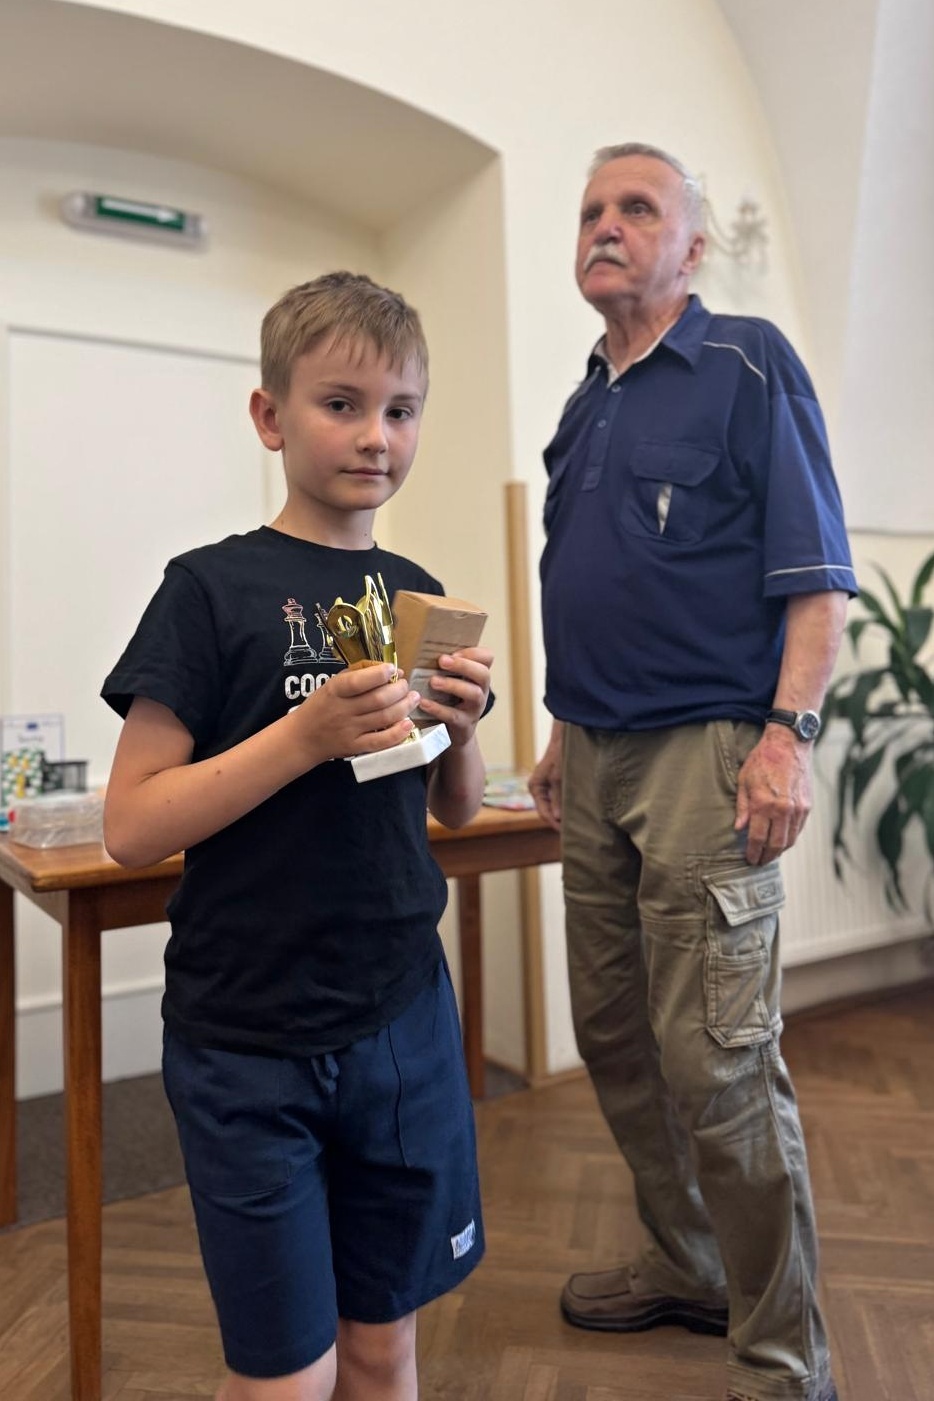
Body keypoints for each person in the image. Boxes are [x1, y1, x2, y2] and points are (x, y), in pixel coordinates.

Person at [101, 271, 494, 1401]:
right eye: (341, 404)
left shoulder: (415, 592)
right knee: (287, 1375)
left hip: (400, 1018)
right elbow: (131, 825)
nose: (376, 436)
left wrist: (463, 730)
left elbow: (454, 810)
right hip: (249, 1033)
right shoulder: (207, 589)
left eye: (401, 410)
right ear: (271, 416)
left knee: (382, 1347)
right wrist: (303, 735)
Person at [529, 143, 855, 1401]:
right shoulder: (584, 403)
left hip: (707, 758)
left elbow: (816, 580)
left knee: (719, 1063)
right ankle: (688, 1263)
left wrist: (788, 737)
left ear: (693, 246)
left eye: (636, 208)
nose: (604, 227)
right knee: (615, 1038)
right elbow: (593, 585)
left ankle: (782, 1361)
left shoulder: (746, 362)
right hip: (593, 755)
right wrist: (559, 730)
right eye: (590, 211)